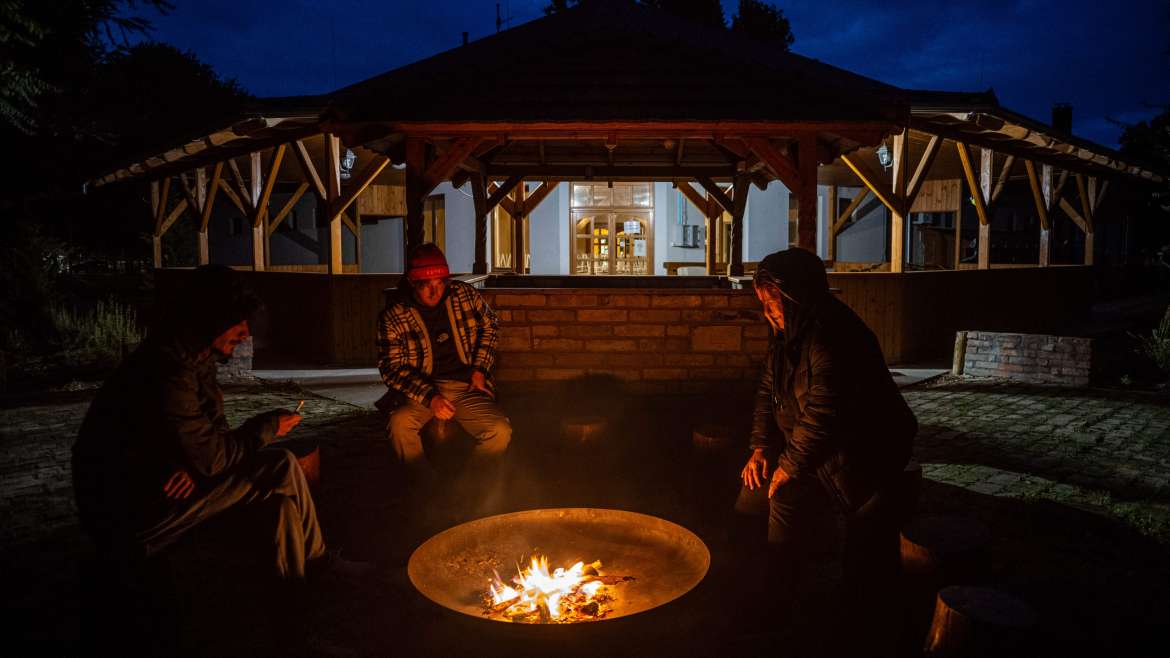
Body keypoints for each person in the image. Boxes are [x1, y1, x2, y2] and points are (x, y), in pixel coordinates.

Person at [73, 265, 327, 580]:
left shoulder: (197, 361)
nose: (245, 333)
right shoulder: (169, 370)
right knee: (281, 465)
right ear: (211, 318)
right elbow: (212, 458)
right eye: (237, 321)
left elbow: (208, 440)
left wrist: (189, 463)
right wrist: (267, 428)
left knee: (282, 508)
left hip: (168, 484)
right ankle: (322, 566)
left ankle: (296, 592)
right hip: (130, 513)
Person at [733, 248, 917, 649]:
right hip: (816, 448)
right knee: (752, 492)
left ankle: (783, 605)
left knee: (787, 501)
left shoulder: (833, 335)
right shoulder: (789, 335)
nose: (768, 313)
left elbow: (824, 413)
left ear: (797, 295)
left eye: (773, 303)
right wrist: (760, 447)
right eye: (763, 304)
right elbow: (767, 391)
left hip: (863, 451)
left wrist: (788, 466)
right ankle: (745, 577)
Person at [377, 243, 511, 512]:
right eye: (426, 285)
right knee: (399, 424)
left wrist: (480, 370)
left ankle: (467, 486)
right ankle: (429, 488)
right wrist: (431, 398)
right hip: (421, 391)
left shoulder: (463, 295)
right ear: (412, 283)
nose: (434, 291)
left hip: (465, 386)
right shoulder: (394, 316)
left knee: (499, 430)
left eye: (440, 283)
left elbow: (490, 325)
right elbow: (391, 367)